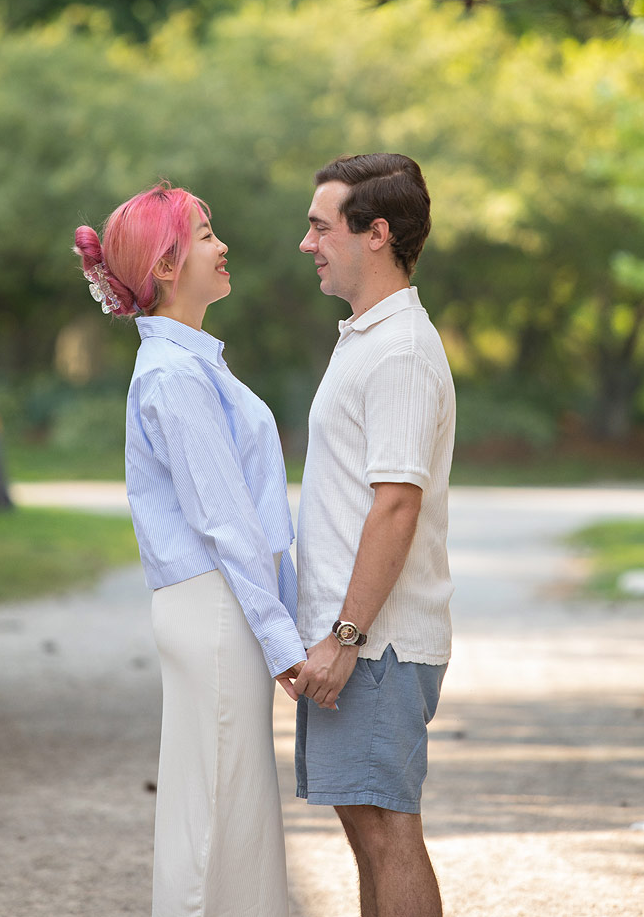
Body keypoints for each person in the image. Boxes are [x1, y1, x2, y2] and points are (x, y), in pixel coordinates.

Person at [74, 181, 306, 917]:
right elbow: (227, 521)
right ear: (168, 265)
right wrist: (284, 640)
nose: (222, 244)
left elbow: (249, 521)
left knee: (231, 807)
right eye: (205, 233)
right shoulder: (175, 376)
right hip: (214, 603)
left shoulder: (195, 364)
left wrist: (283, 621)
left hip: (220, 601)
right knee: (214, 814)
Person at [293, 153, 456, 917]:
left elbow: (396, 506)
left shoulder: (399, 351)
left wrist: (345, 635)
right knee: (368, 830)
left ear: (377, 233)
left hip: (376, 647)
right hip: (360, 642)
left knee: (386, 830)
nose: (307, 242)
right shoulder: (366, 337)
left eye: (321, 226)